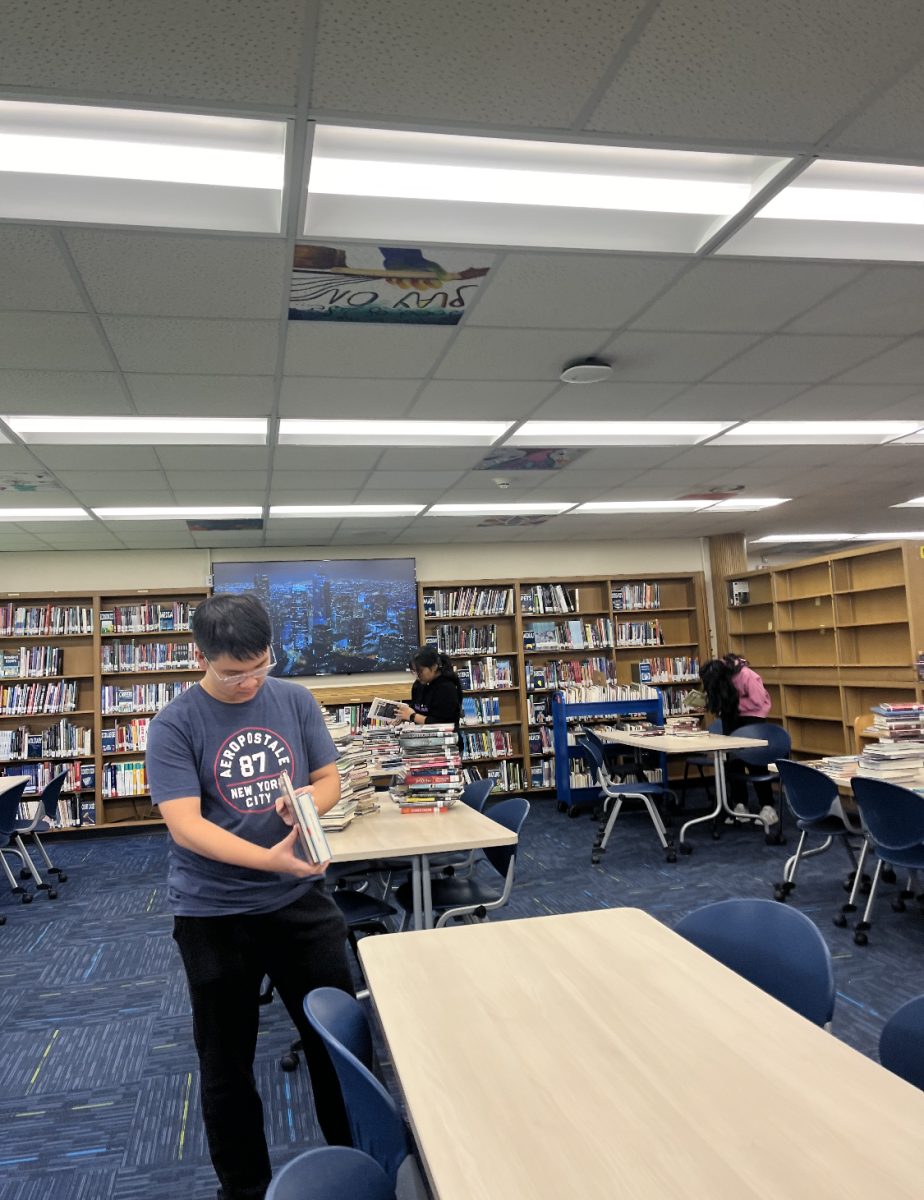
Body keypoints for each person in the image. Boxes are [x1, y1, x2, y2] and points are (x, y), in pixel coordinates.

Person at [146, 593, 353, 1200]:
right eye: (232, 672)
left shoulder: (293, 699)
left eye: (259, 665)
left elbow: (330, 778)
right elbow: (186, 825)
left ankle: (362, 1161)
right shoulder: (175, 724)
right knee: (225, 1062)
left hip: (301, 905)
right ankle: (244, 1188)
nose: (248, 682)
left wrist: (309, 803)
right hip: (213, 912)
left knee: (337, 1042)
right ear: (198, 657)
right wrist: (270, 859)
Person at [699, 654, 776, 827]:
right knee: (733, 760)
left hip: (752, 718)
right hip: (730, 717)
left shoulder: (747, 675)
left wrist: (731, 703)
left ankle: (767, 805)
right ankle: (740, 804)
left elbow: (758, 701)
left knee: (756, 762)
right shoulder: (719, 678)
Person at [394, 644, 464, 729]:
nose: (417, 676)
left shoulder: (447, 687)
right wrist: (403, 716)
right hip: (424, 736)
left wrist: (412, 716)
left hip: (445, 738)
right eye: (414, 671)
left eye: (420, 671)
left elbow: (444, 723)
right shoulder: (418, 684)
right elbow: (417, 710)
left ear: (434, 667)